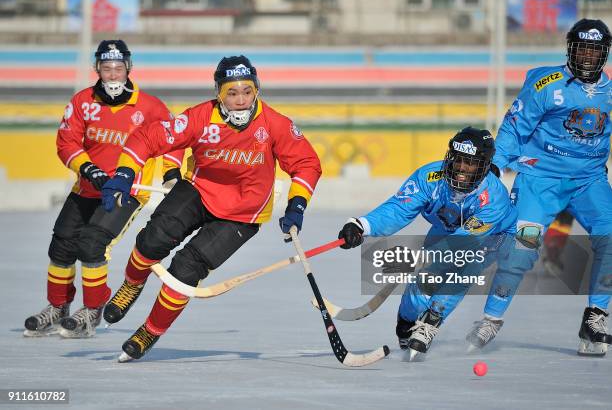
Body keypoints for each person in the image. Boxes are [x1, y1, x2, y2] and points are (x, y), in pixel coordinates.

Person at [100, 55, 321, 361]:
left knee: (186, 268)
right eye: (232, 92)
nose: (241, 100)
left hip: (243, 214)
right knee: (153, 240)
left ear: (256, 90)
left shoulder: (275, 124)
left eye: (247, 91)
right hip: (199, 191)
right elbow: (148, 138)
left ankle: (150, 330)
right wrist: (124, 174)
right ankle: (131, 285)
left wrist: (297, 205)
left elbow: (307, 164)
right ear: (219, 92)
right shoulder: (200, 118)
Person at [466, 18, 612, 356]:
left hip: (588, 181)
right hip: (539, 180)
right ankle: (491, 319)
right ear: (570, 49)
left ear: (604, 54)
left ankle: (596, 316)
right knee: (521, 249)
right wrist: (495, 168)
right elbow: (514, 129)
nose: (588, 57)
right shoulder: (547, 84)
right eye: (582, 49)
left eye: (595, 50)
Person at [23, 40, 184, 338]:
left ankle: (92, 311)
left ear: (128, 69)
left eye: (118, 68)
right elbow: (66, 142)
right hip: (87, 187)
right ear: (97, 68)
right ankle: (58, 307)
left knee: (92, 244)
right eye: (106, 68)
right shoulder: (82, 101)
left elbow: (173, 140)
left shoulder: (150, 107)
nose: (112, 75)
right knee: (61, 245)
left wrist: (172, 173)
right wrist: (88, 169)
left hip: (128, 191)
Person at [338, 127, 517, 358]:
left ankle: (432, 320)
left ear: (483, 166)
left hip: (494, 236)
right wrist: (362, 225)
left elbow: (465, 243)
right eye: (458, 160)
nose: (461, 168)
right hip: (446, 230)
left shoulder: (494, 197)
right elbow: (399, 209)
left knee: (464, 266)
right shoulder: (429, 177)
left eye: (470, 163)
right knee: (424, 283)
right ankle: (407, 321)